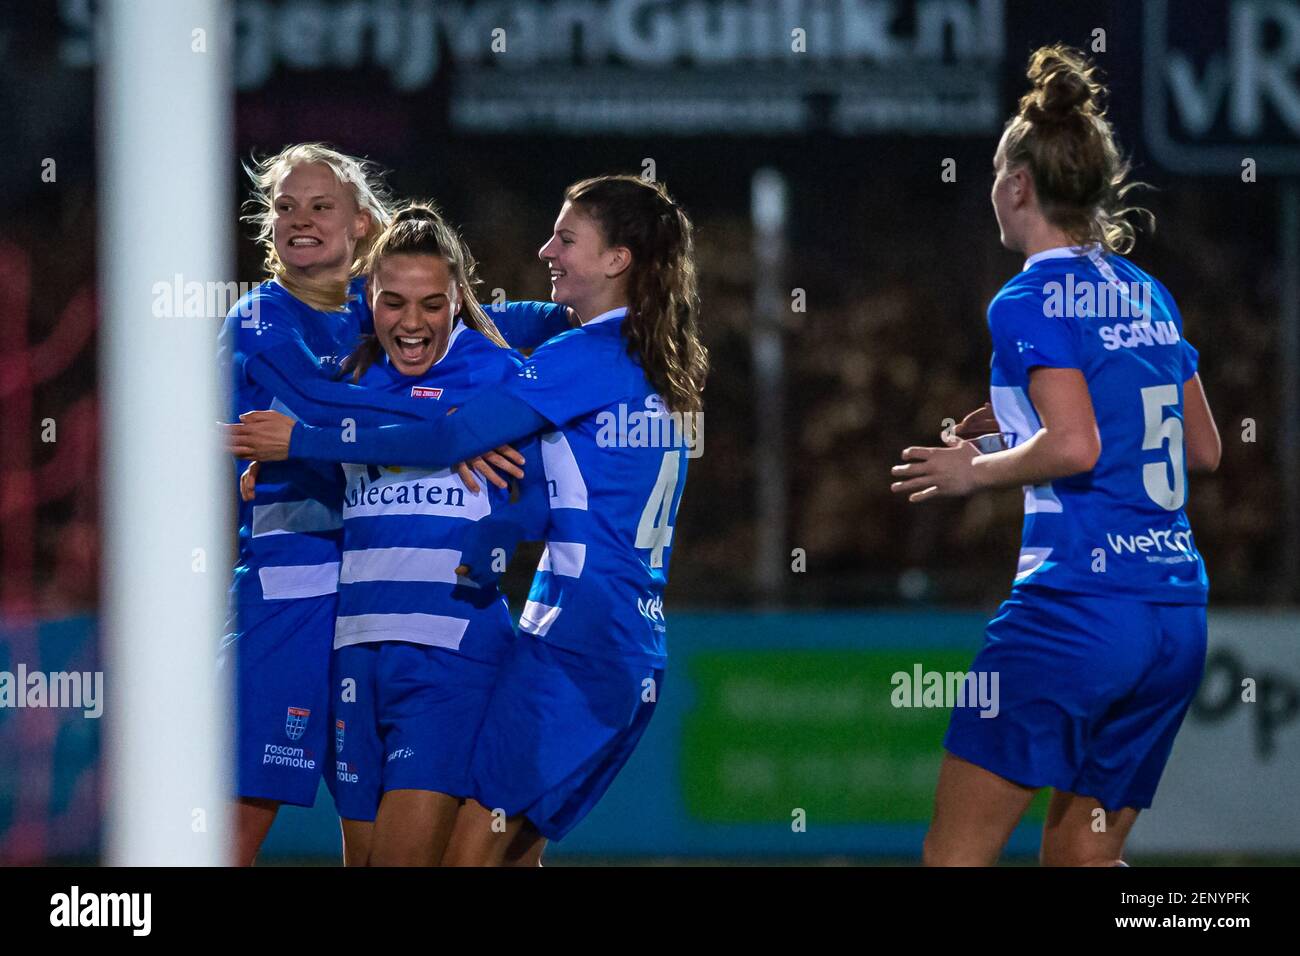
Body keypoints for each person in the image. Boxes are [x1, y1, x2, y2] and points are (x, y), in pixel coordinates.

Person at [228, 174, 709, 865]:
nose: (547, 249)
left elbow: (454, 434)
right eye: (392, 301)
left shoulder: (573, 359)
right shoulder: (629, 360)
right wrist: (293, 471)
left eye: (567, 238)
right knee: (502, 857)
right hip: (578, 640)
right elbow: (551, 487)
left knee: (468, 858)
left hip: (567, 642)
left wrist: (298, 443)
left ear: (617, 259)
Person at [889, 45, 1222, 867]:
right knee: (1084, 860)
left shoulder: (1027, 296)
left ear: (1018, 186)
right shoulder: (1146, 289)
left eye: (997, 171)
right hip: (1175, 615)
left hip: (1076, 609)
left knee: (954, 856)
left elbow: (1074, 446)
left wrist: (975, 471)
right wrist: (1010, 433)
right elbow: (1204, 449)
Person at [219, 143, 566, 865]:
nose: (300, 220)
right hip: (296, 598)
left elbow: (527, 321)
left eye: (321, 206)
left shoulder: (375, 317)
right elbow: (317, 405)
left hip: (390, 609)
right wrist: (447, 437)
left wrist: (603, 295)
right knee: (240, 811)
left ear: (363, 227)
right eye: (285, 206)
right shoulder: (258, 321)